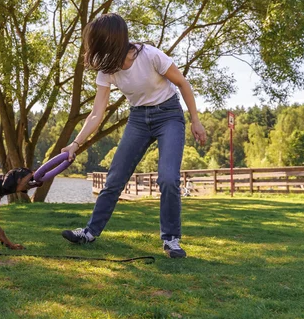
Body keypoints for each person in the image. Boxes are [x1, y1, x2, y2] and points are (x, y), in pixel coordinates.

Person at [61, 13, 207, 258]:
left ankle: (171, 240)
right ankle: (89, 232)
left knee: (168, 179)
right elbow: (97, 113)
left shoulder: (150, 55)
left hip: (168, 115)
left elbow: (182, 83)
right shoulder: (108, 69)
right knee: (114, 179)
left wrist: (196, 120)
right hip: (138, 119)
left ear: (112, 40)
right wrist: (74, 144)